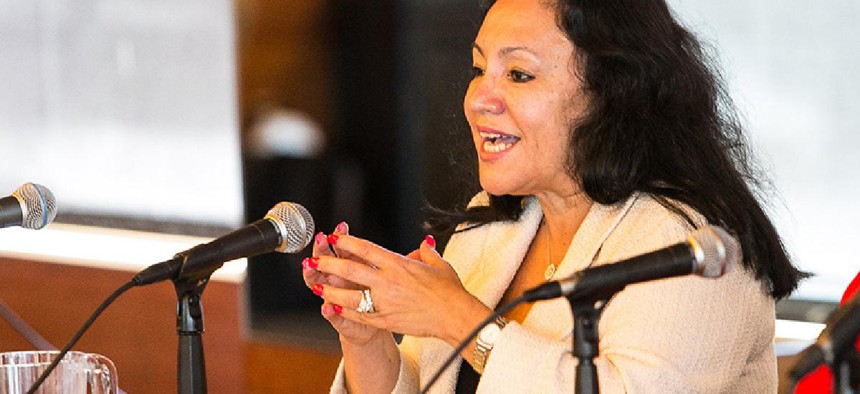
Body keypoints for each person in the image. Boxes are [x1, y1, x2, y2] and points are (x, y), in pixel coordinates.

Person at [300, 0, 808, 392]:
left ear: (612, 93)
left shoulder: (693, 247)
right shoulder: (493, 224)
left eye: (518, 74)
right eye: (479, 70)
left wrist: (456, 316)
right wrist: (366, 337)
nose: (479, 98)